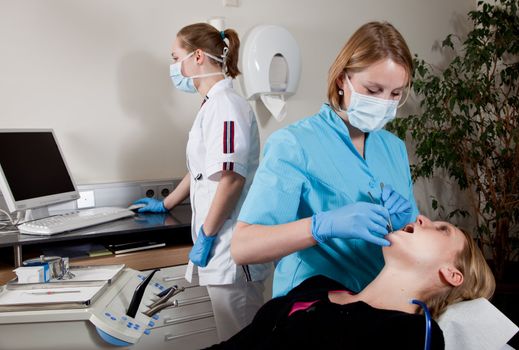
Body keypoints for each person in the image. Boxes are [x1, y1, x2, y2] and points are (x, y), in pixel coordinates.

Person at [232, 21, 419, 298]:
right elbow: (243, 247)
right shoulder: (294, 144)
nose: (384, 102)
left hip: (381, 304)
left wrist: (407, 224)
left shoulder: (393, 147)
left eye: (395, 94)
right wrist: (321, 226)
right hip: (315, 307)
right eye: (373, 90)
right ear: (342, 80)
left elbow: (409, 238)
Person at [133, 23, 270, 341]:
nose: (173, 67)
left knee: (240, 338)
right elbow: (201, 169)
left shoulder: (226, 106)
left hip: (229, 247)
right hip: (219, 244)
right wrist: (165, 204)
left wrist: (207, 235)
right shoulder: (212, 105)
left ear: (197, 56)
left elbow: (231, 179)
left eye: (175, 57)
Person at [208, 215, 496, 349]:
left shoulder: (409, 334)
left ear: (451, 274)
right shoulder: (317, 286)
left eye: (442, 229)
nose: (422, 217)